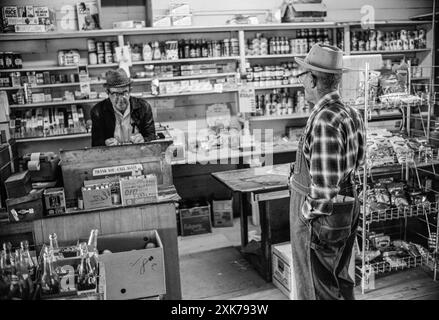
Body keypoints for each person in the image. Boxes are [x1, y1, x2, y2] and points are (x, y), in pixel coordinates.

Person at [289, 44, 366, 300]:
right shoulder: (350, 112)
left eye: (303, 76)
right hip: (348, 203)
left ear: (313, 79)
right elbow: (360, 161)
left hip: (324, 213)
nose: (301, 82)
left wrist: (305, 215)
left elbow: (323, 191)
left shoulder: (323, 119)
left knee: (318, 286)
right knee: (341, 276)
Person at [91, 68, 156, 147]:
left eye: (124, 92)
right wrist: (105, 143)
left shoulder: (144, 107)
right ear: (108, 93)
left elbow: (152, 137)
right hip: (112, 155)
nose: (121, 99)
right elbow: (96, 144)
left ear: (130, 90)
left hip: (138, 153)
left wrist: (144, 140)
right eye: (115, 93)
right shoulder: (98, 111)